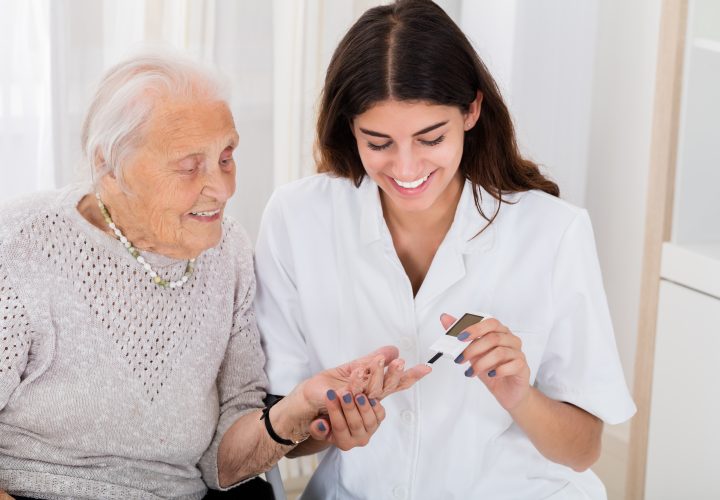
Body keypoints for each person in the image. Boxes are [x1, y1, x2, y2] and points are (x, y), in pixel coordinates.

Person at [0, 54, 429, 500]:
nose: (222, 189)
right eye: (189, 166)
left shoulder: (228, 252)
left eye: (226, 158)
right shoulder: (20, 248)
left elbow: (223, 464)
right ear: (109, 165)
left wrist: (301, 405)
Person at [254, 1, 636, 498]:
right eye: (378, 142)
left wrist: (521, 396)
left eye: (430, 137)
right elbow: (275, 430)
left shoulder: (553, 232)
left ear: (472, 110)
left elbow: (582, 449)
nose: (406, 166)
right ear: (350, 127)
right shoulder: (296, 218)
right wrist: (327, 424)